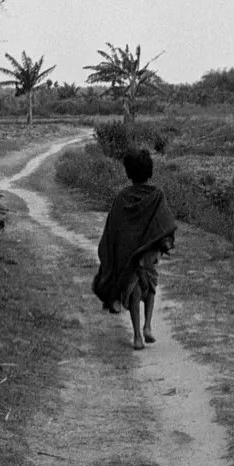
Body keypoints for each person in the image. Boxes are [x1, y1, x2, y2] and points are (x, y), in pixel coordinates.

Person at [93, 147, 177, 350]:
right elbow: (164, 222)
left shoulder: (122, 197)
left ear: (128, 172)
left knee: (134, 290)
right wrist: (165, 243)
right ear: (150, 171)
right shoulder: (157, 195)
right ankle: (148, 326)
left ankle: (138, 336)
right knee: (151, 287)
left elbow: (113, 229)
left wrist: (113, 254)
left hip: (129, 255)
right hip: (148, 254)